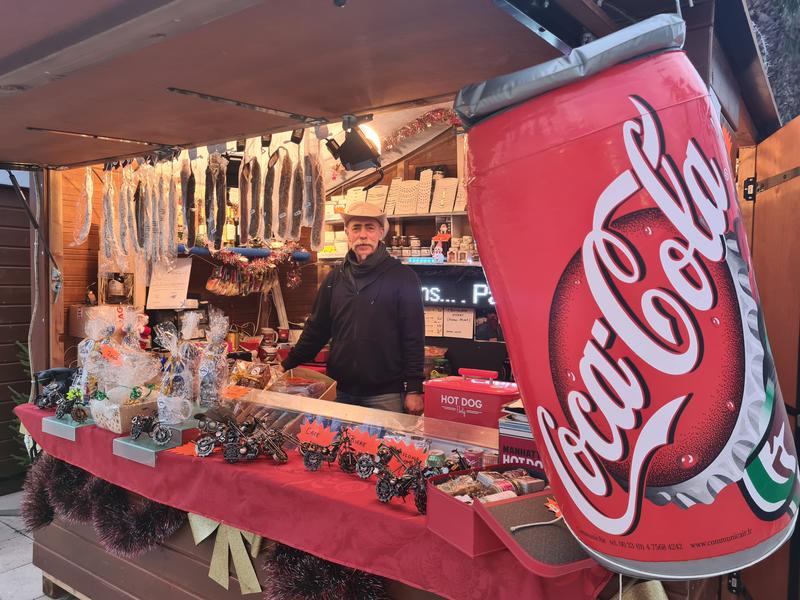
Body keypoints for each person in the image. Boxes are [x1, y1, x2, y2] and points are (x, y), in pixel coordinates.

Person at [279, 202, 425, 414]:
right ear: (347, 233)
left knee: (385, 448)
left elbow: (414, 337)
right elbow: (316, 329)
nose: (363, 235)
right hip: (340, 390)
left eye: (370, 228)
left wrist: (414, 389)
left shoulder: (403, 278)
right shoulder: (334, 278)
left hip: (386, 395)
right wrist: (287, 364)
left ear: (381, 233)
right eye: (356, 228)